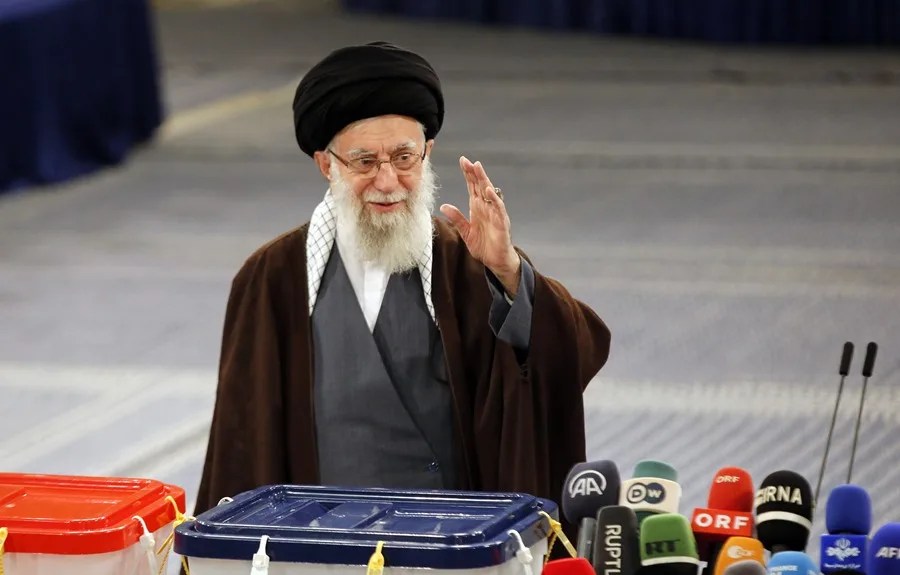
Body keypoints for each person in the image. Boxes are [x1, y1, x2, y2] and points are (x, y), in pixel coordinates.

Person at [193, 41, 611, 538]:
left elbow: (567, 356)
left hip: (450, 544)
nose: (388, 181)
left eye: (404, 157)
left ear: (428, 153)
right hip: (320, 545)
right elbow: (242, 437)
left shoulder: (469, 263)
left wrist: (507, 271)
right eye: (365, 161)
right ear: (326, 165)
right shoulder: (271, 278)